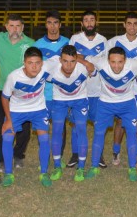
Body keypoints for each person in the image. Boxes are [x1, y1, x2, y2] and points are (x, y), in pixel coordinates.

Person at [85, 47, 137, 182]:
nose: (116, 66)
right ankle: (94, 166)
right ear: (107, 60)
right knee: (98, 133)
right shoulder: (100, 62)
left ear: (125, 60)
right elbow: (83, 58)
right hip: (105, 103)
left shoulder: (135, 65)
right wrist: (87, 64)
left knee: (131, 133)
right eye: (113, 62)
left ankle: (132, 167)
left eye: (120, 62)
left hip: (127, 104)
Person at [0, 13, 35, 169]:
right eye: (11, 26)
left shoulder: (30, 43)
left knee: (25, 129)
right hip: (3, 90)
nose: (15, 29)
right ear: (6, 26)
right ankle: (2, 158)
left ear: (23, 27)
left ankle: (18, 155)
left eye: (18, 26)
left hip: (23, 92)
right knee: (2, 124)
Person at [1, 47, 55, 187]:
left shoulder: (46, 69)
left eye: (37, 63)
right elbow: (4, 97)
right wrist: (8, 120)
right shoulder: (14, 77)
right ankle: (8, 173)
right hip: (16, 109)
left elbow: (62, 61)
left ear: (42, 63)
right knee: (7, 138)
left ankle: (44, 173)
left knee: (44, 138)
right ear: (24, 62)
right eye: (30, 63)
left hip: (38, 109)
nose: (34, 66)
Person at [106, 12, 137, 166]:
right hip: (122, 90)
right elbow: (106, 63)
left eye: (135, 24)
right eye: (129, 23)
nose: (132, 27)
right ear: (124, 25)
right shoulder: (115, 41)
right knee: (121, 121)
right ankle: (116, 152)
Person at [47, 45, 94, 182]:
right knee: (56, 131)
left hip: (80, 100)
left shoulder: (83, 68)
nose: (69, 65)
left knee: (81, 130)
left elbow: (93, 69)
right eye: (65, 61)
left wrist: (85, 62)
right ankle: (57, 166)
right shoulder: (51, 66)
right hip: (59, 100)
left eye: (73, 61)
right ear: (60, 60)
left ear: (77, 60)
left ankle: (81, 168)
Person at [67, 10, 108, 168]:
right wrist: (87, 63)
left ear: (96, 22)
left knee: (99, 125)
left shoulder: (103, 40)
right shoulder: (75, 39)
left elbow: (106, 62)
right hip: (79, 91)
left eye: (92, 20)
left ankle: (98, 155)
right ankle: (75, 154)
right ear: (82, 23)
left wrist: (83, 58)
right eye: (86, 20)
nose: (89, 23)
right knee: (77, 125)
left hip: (98, 90)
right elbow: (69, 57)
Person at [34, 10, 70, 159]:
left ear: (60, 25)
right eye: (49, 23)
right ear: (46, 25)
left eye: (55, 23)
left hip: (62, 93)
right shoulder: (38, 45)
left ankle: (58, 156)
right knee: (43, 127)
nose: (53, 26)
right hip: (45, 94)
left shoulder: (68, 42)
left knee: (59, 126)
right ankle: (45, 156)